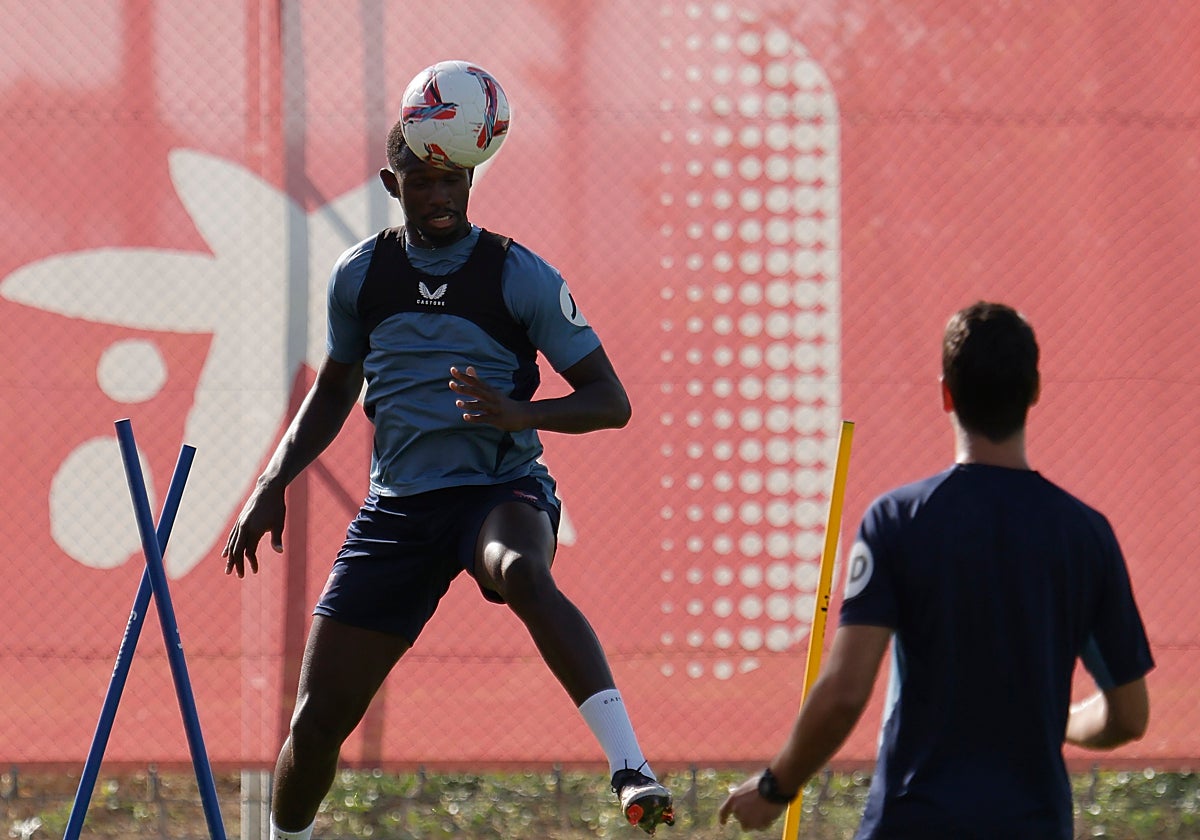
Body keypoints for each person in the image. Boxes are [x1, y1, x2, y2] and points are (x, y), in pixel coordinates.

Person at [222, 118, 674, 838]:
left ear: (472, 178)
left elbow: (609, 401)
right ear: (391, 185)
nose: (439, 194)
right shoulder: (361, 273)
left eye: (453, 178)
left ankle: (630, 768)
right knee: (314, 721)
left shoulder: (515, 273)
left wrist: (517, 413)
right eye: (423, 180)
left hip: (498, 491)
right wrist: (271, 481)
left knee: (522, 569)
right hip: (397, 510)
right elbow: (336, 388)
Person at [719, 301, 1153, 838]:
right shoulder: (1086, 535)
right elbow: (1130, 717)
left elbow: (846, 691)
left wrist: (774, 788)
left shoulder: (898, 520)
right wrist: (1059, 722)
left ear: (945, 393)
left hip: (913, 821)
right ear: (1034, 392)